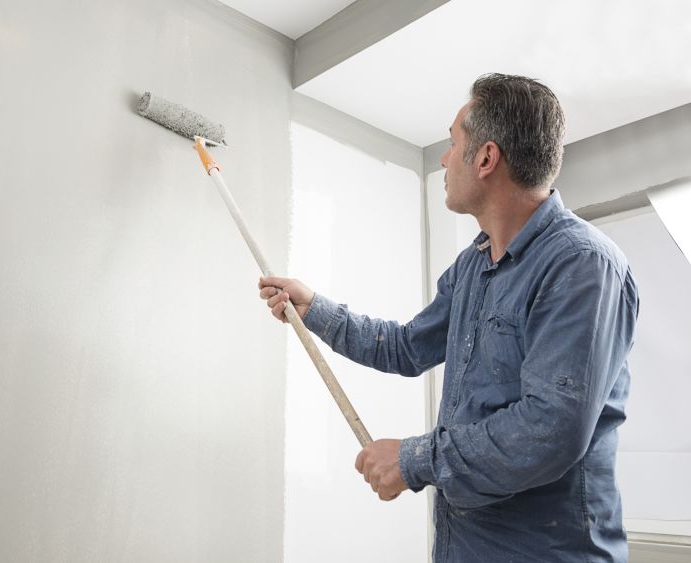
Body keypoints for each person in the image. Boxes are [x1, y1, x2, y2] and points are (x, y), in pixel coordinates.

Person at [258, 73, 639, 562]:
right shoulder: (473, 267)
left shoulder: (582, 264)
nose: (442, 158)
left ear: (485, 158)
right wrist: (315, 310)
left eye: (452, 142)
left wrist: (413, 460)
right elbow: (407, 347)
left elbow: (550, 429)